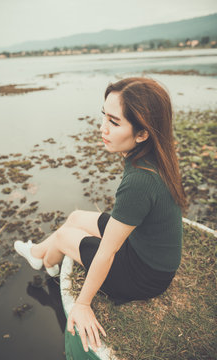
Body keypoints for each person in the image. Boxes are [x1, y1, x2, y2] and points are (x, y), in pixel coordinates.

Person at [14, 77, 186, 353]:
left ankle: (44, 257)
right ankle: (42, 259)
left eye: (114, 122)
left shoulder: (140, 181)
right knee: (76, 218)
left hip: (144, 275)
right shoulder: (156, 154)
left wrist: (82, 304)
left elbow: (107, 253)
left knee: (62, 236)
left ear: (142, 133)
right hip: (147, 251)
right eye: (104, 116)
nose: (103, 128)